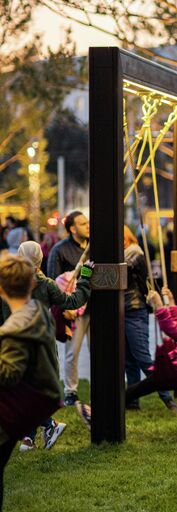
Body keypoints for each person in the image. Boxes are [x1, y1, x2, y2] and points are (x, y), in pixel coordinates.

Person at [76, 287, 177, 429]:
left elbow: (172, 328)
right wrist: (171, 303)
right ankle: (101, 412)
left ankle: (99, 414)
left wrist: (159, 306)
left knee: (137, 389)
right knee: (139, 389)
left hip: (176, 372)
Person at [2, 242, 92, 451]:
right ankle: (40, 430)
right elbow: (72, 302)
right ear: (41, 259)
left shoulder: (8, 283)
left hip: (13, 345)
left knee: (22, 391)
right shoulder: (46, 284)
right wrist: (85, 277)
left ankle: (39, 431)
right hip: (40, 345)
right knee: (31, 390)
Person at [0, 255, 63, 510]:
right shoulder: (38, 311)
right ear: (32, 285)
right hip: (40, 399)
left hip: (22, 404)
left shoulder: (15, 329)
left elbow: (9, 374)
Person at [123, 225, 177, 413]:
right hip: (127, 310)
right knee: (129, 360)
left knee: (143, 358)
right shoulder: (129, 252)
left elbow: (123, 271)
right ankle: (132, 402)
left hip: (134, 310)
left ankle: (168, 399)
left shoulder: (133, 252)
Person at [47, 210, 89, 405]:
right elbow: (53, 282)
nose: (88, 226)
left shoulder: (94, 247)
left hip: (95, 307)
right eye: (83, 223)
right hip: (73, 309)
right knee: (73, 352)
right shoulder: (60, 250)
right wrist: (64, 308)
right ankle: (70, 391)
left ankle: (101, 387)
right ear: (72, 228)